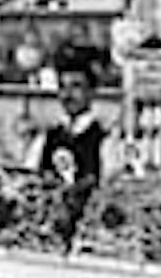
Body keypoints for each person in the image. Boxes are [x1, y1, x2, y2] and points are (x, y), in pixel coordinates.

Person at [29, 54, 119, 241]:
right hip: (46, 235)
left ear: (91, 92)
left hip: (89, 238)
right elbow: (29, 180)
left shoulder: (106, 140)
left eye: (76, 87)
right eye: (63, 87)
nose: (68, 95)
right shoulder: (46, 138)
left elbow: (111, 192)